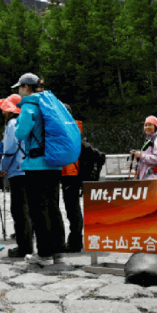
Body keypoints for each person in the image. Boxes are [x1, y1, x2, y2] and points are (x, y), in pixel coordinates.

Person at [13, 73, 67, 266]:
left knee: (38, 209)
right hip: (54, 162)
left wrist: (18, 123)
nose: (19, 92)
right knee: (53, 206)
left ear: (26, 88)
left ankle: (44, 254)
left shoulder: (29, 105)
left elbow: (20, 133)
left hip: (36, 164)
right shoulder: (51, 102)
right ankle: (58, 249)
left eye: (19, 88)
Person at [0, 94, 34, 258]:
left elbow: (10, 149)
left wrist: (2, 168)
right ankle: (29, 245)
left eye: (5, 110)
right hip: (30, 170)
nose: (3, 113)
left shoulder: (12, 124)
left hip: (17, 171)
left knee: (19, 212)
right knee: (28, 210)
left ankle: (24, 248)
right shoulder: (27, 122)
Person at [60, 104, 84, 253]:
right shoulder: (76, 128)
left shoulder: (67, 128)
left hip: (69, 172)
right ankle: (75, 241)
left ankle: (75, 243)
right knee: (73, 208)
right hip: (72, 172)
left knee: (72, 209)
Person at [130, 116, 157, 180]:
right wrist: (138, 155)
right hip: (149, 176)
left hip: (153, 177)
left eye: (150, 125)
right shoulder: (151, 139)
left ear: (156, 126)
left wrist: (141, 155)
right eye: (145, 125)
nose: (147, 127)